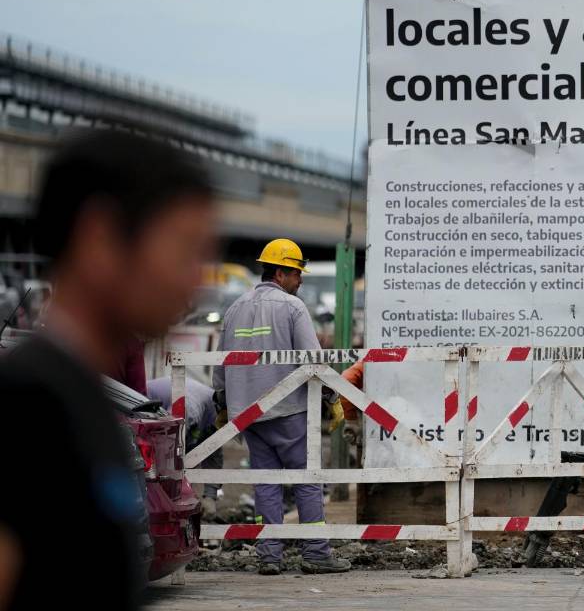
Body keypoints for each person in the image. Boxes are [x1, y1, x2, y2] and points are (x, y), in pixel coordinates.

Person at [0, 130, 216, 610]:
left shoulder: (90, 402)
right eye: (184, 250)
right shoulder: (26, 410)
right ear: (99, 239)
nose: (195, 280)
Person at [212, 239, 351, 576]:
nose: (300, 280)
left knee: (266, 483)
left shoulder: (234, 309)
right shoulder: (292, 307)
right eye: (296, 273)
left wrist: (223, 404)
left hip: (249, 415)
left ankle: (269, 556)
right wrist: (333, 399)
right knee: (306, 480)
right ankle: (315, 553)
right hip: (288, 411)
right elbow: (313, 361)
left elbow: (220, 366)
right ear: (279, 273)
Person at [145, 376, 223, 517]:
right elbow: (167, 445)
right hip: (141, 404)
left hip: (169, 418)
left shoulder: (214, 413)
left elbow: (213, 452)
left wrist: (210, 496)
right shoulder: (191, 408)